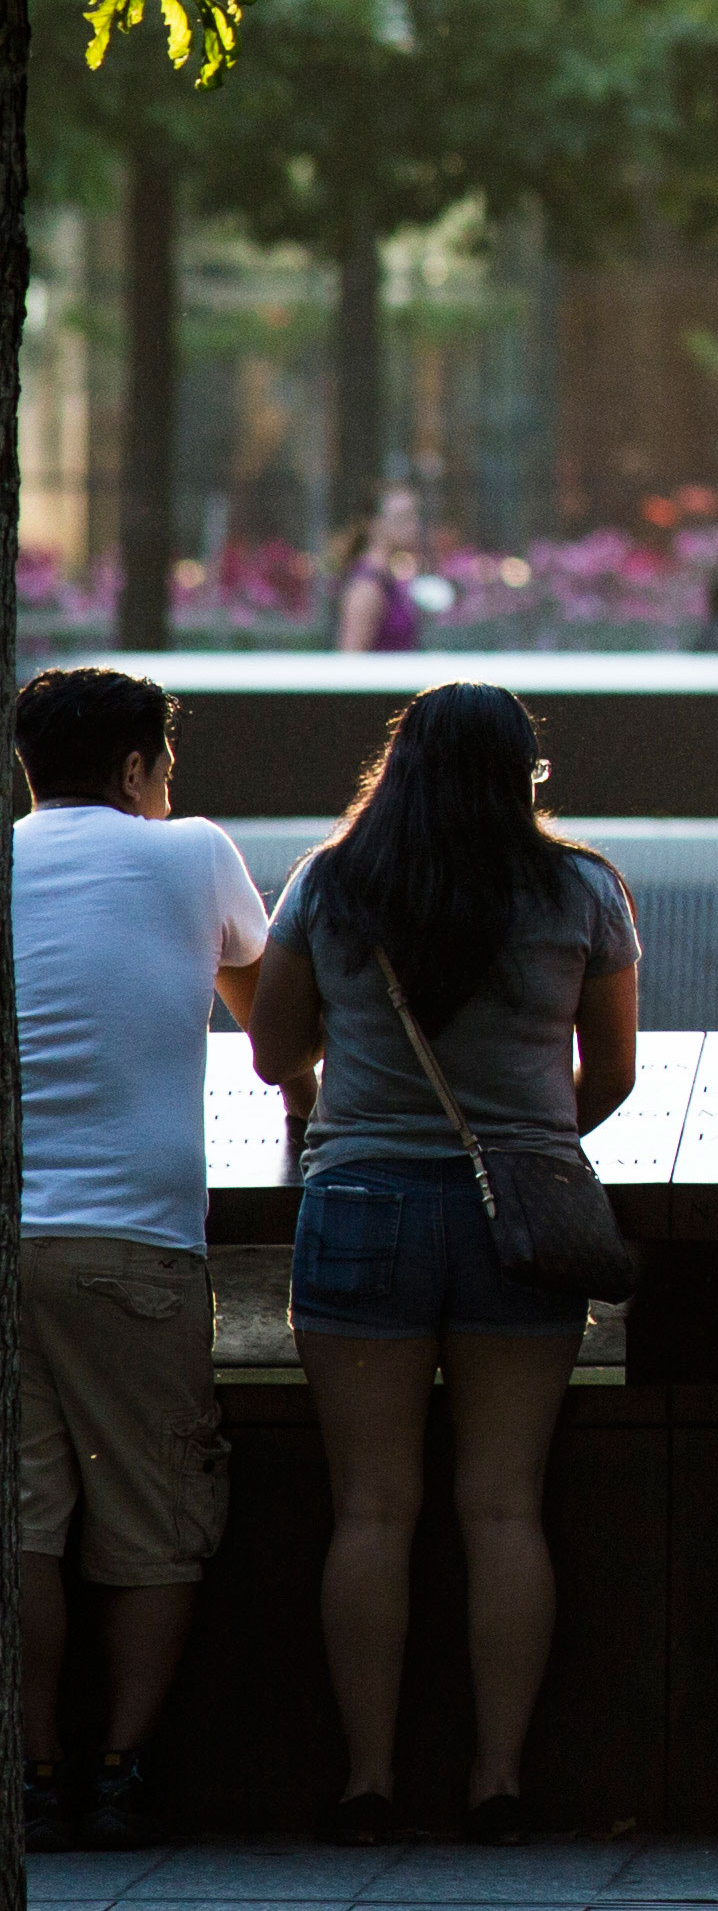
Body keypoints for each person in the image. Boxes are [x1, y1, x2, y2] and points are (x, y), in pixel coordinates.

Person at [249, 682, 641, 1843]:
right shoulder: (579, 886)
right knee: (503, 1504)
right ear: (528, 770)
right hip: (518, 1220)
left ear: (400, 763)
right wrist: (522, 1141)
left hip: (362, 1200)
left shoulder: (331, 879)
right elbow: (610, 1074)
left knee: (370, 1507)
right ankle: (499, 1779)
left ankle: (368, 1778)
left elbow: (275, 1045)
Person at [13, 669, 269, 1851]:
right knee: (158, 1517)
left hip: (13, 1234)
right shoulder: (192, 854)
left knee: (27, 1523)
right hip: (135, 1242)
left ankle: (33, 1772)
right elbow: (277, 1028)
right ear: (135, 770)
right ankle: (118, 1772)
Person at [329, 486, 431, 657]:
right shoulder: (367, 587)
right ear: (374, 524)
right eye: (403, 518)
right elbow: (350, 662)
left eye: (415, 515)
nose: (414, 525)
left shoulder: (389, 578)